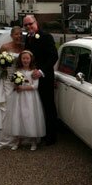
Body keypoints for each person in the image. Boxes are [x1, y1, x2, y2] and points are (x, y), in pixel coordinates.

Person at [23, 15, 58, 145]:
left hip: (45, 77)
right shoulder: (28, 38)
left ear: (35, 22)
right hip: (32, 77)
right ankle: (40, 132)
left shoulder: (46, 36)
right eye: (25, 25)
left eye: (30, 24)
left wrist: (41, 71)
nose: (28, 27)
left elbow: (54, 56)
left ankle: (51, 136)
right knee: (37, 106)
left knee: (48, 106)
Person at [5, 50, 46, 151]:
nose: (25, 60)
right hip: (19, 97)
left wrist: (23, 88)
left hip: (30, 98)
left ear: (31, 59)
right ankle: (17, 141)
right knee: (18, 116)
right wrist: (16, 85)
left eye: (27, 58)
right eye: (23, 58)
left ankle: (33, 141)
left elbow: (35, 86)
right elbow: (14, 82)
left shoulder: (34, 71)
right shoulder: (18, 70)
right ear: (20, 59)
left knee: (30, 116)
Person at [0, 26, 24, 149]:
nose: (18, 36)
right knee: (6, 106)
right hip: (7, 80)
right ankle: (5, 138)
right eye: (16, 34)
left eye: (20, 34)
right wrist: (3, 68)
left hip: (18, 79)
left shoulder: (23, 47)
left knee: (19, 107)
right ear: (12, 35)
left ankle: (19, 136)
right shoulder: (5, 47)